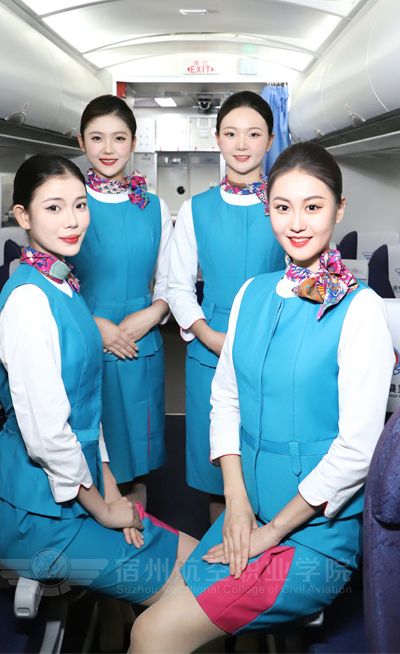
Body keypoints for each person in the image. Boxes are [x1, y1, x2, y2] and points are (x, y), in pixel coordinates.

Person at [130, 141, 394, 652]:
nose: (296, 223)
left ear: (339, 209)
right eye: (282, 207)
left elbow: (358, 451)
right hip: (246, 513)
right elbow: (226, 400)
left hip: (313, 535)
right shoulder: (253, 293)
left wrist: (269, 533)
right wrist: (235, 504)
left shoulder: (362, 311)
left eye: (313, 207)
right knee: (157, 606)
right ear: (267, 208)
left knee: (152, 632)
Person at [0, 154, 196, 609]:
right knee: (198, 588)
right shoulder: (30, 302)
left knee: (199, 559)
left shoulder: (62, 284)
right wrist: (105, 511)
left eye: (80, 205)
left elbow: (86, 411)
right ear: (23, 216)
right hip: (37, 518)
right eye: (54, 208)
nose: (72, 220)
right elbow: (48, 435)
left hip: (80, 488)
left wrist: (113, 493)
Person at [168, 90, 284, 518]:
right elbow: (178, 287)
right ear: (217, 139)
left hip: (274, 344)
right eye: (231, 133)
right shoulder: (195, 209)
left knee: (269, 461)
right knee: (217, 472)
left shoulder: (285, 205)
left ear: (270, 140)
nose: (241, 144)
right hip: (210, 347)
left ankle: (265, 554)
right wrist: (208, 335)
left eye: (253, 133)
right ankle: (222, 558)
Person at [72, 95, 171, 508]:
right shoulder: (69, 203)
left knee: (134, 463)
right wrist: (95, 325)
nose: (108, 149)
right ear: (82, 142)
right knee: (86, 456)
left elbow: (169, 280)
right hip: (82, 340)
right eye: (97, 138)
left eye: (119, 138)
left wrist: (153, 314)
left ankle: (137, 540)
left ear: (133, 141)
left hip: (138, 346)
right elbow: (49, 277)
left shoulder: (154, 207)